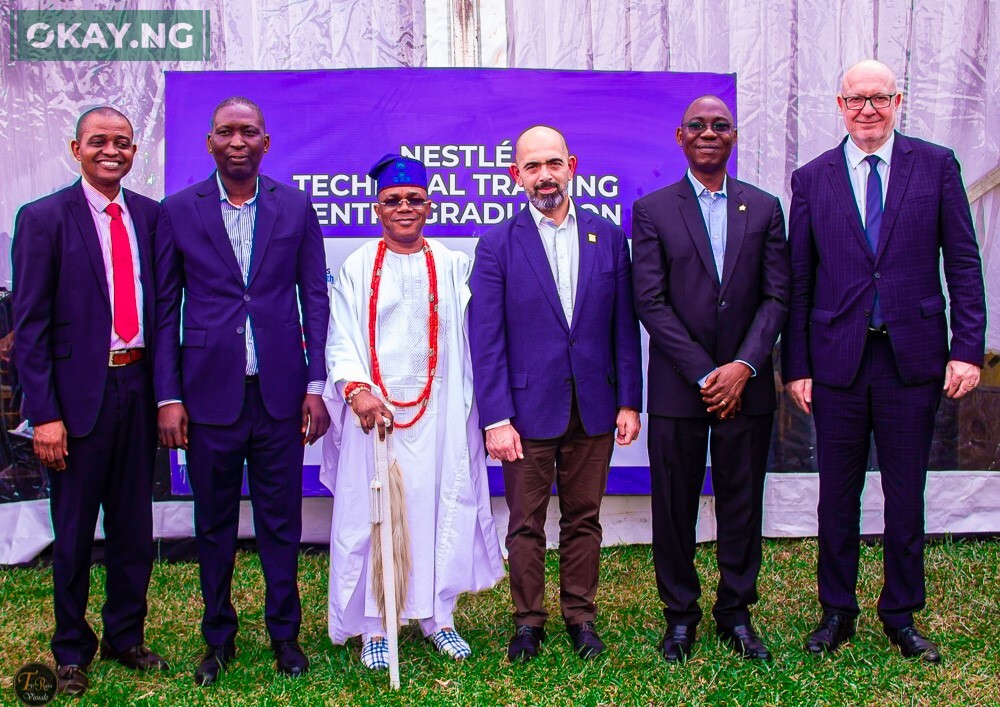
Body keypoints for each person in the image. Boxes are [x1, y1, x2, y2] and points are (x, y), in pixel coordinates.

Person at [782, 60, 986, 663]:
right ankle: (835, 611)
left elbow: (964, 263)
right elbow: (799, 280)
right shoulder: (813, 178)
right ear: (838, 104)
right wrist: (797, 365)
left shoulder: (936, 165)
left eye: (879, 98)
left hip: (912, 361)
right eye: (856, 99)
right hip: (837, 363)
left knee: (905, 493)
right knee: (835, 495)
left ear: (898, 99)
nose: (867, 109)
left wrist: (967, 349)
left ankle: (900, 612)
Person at [154, 97, 330, 684]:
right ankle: (218, 640)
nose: (237, 141)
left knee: (282, 523)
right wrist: (168, 396)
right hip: (208, 398)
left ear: (265, 142)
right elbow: (165, 309)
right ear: (209, 143)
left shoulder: (296, 207)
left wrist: (315, 383)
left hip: (280, 395)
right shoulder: (178, 211)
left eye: (248, 132)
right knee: (215, 524)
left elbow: (315, 298)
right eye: (226, 132)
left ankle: (286, 638)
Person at [322, 154, 505, 670]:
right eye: (392, 201)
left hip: (442, 412)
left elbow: (477, 338)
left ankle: (437, 617)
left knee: (439, 509)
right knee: (374, 514)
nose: (404, 208)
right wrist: (356, 390)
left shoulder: (452, 264)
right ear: (377, 208)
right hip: (373, 417)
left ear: (430, 205)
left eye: (414, 200)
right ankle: (378, 625)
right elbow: (340, 339)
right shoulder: (357, 266)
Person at [470, 125, 643, 662]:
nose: (544, 175)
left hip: (594, 407)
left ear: (572, 164)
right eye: (531, 166)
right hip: (525, 412)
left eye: (553, 163)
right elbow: (487, 337)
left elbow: (623, 327)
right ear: (515, 176)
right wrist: (496, 416)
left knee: (584, 518)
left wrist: (629, 401)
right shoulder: (498, 243)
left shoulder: (609, 237)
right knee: (524, 523)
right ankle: (527, 622)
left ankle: (581, 618)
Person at [11, 107, 168, 696]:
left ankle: (126, 636)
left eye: (122, 143)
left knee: (133, 525)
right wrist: (44, 414)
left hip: (138, 385)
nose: (111, 151)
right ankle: (72, 649)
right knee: (75, 529)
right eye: (98, 141)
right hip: (77, 399)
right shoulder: (45, 218)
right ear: (75, 148)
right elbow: (29, 326)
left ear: (133, 152)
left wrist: (164, 398)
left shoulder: (151, 218)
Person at [631, 96, 790, 663]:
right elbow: (649, 300)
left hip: (746, 388)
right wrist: (705, 372)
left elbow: (777, 296)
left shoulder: (765, 208)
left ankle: (736, 612)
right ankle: (680, 616)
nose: (708, 133)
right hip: (680, 387)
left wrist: (743, 367)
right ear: (680, 137)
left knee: (742, 502)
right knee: (673, 506)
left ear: (734, 136)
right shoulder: (652, 209)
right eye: (697, 125)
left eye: (719, 126)